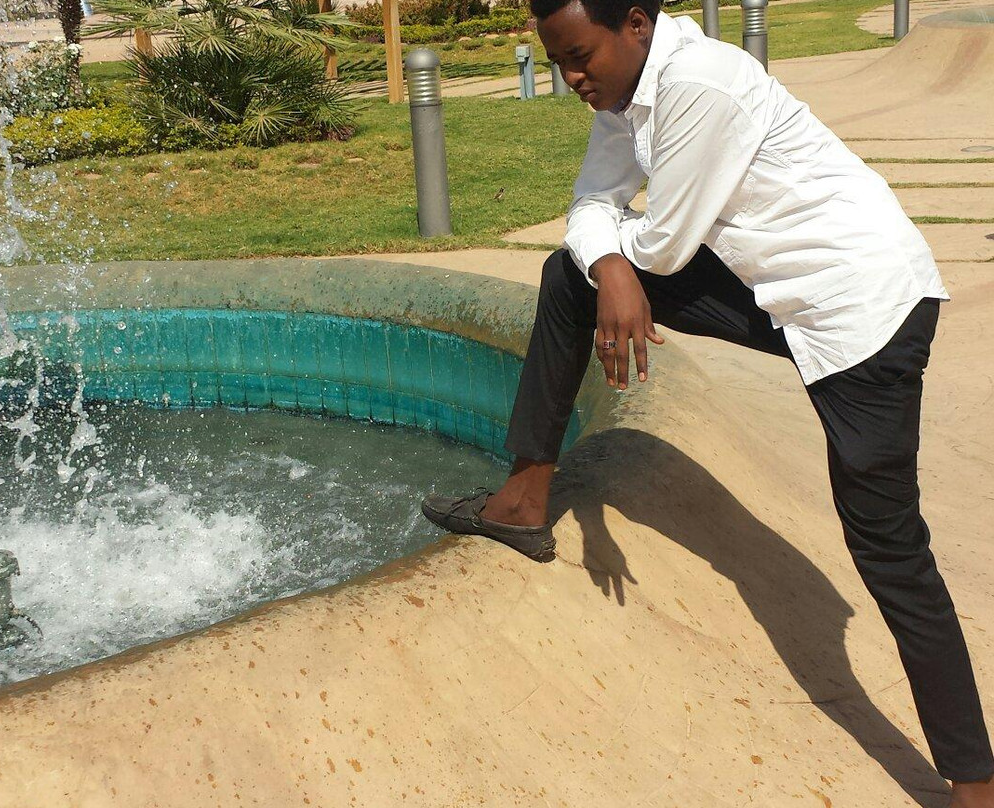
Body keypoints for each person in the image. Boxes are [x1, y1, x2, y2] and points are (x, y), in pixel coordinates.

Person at [420, 0, 994, 803]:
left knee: (891, 552)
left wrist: (620, 265)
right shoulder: (625, 91)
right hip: (780, 293)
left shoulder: (701, 86)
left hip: (865, 312)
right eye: (559, 62)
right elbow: (593, 205)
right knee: (573, 276)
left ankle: (975, 785)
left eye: (581, 55)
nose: (573, 78)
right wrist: (610, 268)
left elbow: (663, 245)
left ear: (637, 26)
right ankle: (521, 501)